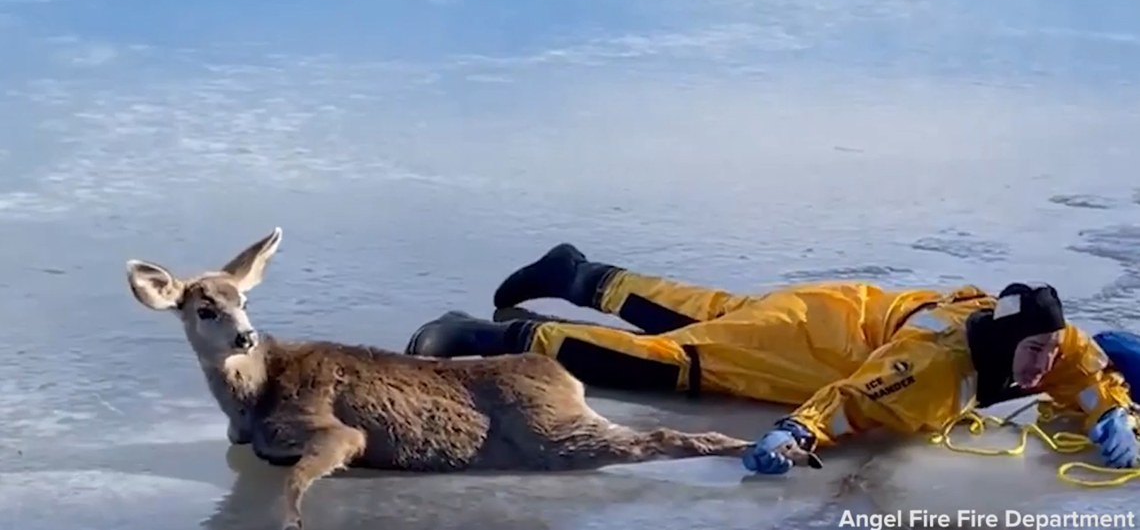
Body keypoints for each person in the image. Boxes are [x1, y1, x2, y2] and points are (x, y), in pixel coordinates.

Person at [405, 243, 1140, 474]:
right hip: (825, 347)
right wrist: (797, 433)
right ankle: (486, 334)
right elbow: (851, 398)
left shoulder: (1048, 336)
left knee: (717, 313)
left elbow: (1082, 365)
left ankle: (579, 274)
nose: (1045, 363)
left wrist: (1110, 410)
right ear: (1006, 342)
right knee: (680, 361)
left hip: (841, 310)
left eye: (1048, 346)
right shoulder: (930, 363)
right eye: (1034, 351)